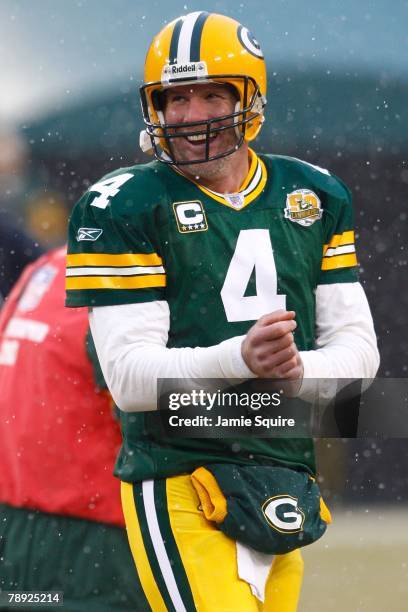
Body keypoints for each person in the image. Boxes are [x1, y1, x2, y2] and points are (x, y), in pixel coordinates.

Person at [65, 11, 379, 611]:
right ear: (153, 107)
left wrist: (294, 373)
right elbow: (130, 380)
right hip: (180, 469)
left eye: (213, 94)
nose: (191, 115)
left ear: (251, 99)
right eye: (174, 97)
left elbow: (359, 358)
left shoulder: (311, 194)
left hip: (285, 468)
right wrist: (240, 357)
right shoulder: (124, 204)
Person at [0, 246, 148, 611]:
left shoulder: (52, 265)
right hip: (96, 548)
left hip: (18, 532)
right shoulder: (127, 279)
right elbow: (168, 420)